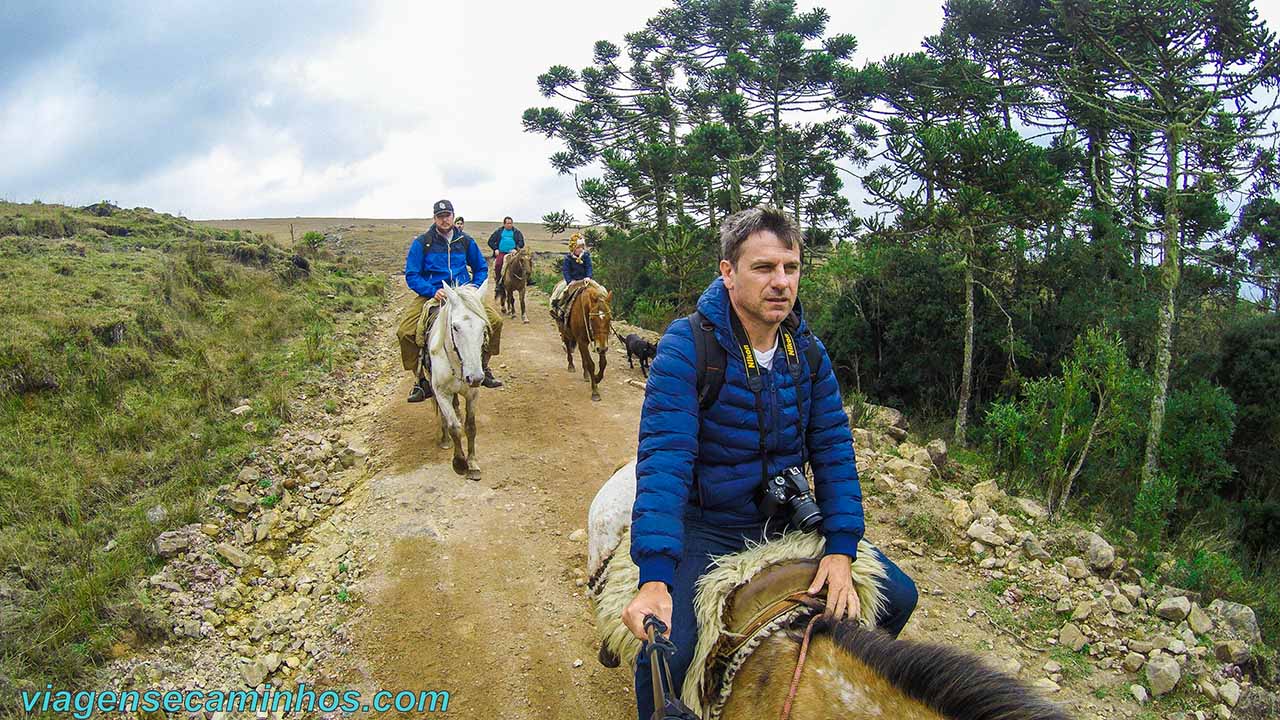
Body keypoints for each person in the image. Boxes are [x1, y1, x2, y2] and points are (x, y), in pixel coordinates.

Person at [621, 207, 918, 720]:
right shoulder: (687, 347)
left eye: (791, 267)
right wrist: (654, 578)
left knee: (899, 597)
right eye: (764, 268)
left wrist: (842, 549)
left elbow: (832, 452)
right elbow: (665, 462)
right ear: (728, 272)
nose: (781, 282)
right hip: (708, 525)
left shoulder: (808, 353)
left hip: (784, 519)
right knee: (671, 651)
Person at [396, 199, 504, 402]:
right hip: (434, 294)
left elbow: (481, 267)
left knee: (495, 322)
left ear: (453, 216)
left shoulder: (465, 241)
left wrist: (472, 289)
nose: (444, 220)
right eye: (440, 216)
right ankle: (421, 380)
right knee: (405, 332)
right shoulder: (422, 242)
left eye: (447, 216)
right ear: (434, 218)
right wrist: (431, 291)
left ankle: (484, 365)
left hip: (464, 294)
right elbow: (412, 274)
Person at [549, 234, 593, 319]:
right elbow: (566, 271)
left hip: (585, 280)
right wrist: (570, 281)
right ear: (573, 248)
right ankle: (557, 307)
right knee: (561, 291)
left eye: (582, 247)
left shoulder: (586, 257)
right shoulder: (568, 258)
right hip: (572, 281)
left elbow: (589, 267)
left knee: (599, 289)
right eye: (578, 247)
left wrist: (588, 276)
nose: (580, 249)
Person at [486, 216, 525, 297]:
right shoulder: (499, 232)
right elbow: (490, 241)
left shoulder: (516, 232)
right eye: (508, 223)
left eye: (511, 223)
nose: (509, 225)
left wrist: (515, 248)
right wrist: (495, 249)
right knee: (498, 264)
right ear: (504, 224)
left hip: (514, 253)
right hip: (502, 252)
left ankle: (526, 280)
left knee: (525, 262)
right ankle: (498, 283)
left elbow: (521, 242)